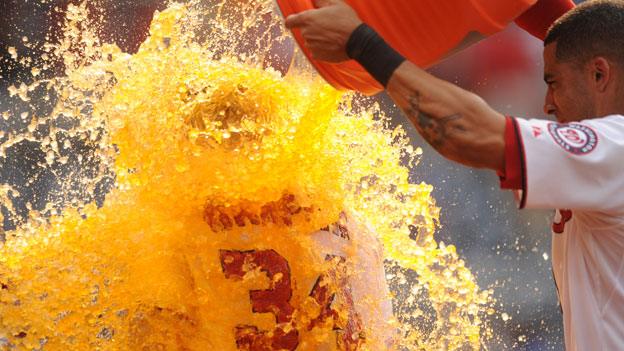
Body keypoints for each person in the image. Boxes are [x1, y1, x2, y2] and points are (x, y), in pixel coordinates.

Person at [285, 0, 624, 350]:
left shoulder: (615, 147)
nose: (548, 104)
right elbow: (597, 37)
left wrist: (363, 43)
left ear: (600, 75)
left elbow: (470, 133)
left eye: (553, 83)